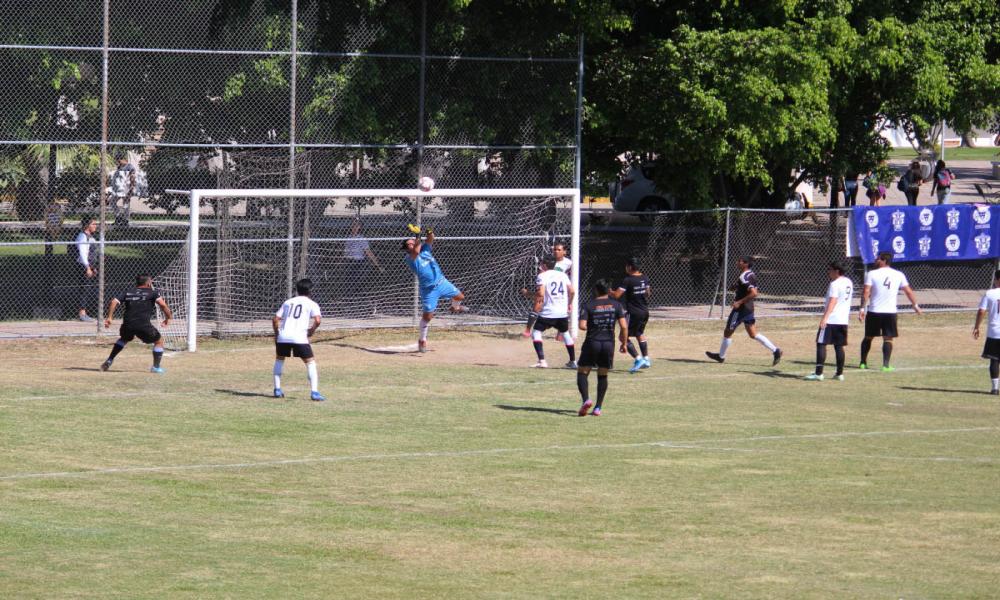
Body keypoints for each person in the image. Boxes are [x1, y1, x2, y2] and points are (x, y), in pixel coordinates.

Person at [706, 257, 783, 365]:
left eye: (739, 261)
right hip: (749, 308)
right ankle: (776, 351)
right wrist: (736, 287)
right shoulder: (749, 274)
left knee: (728, 331)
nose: (737, 262)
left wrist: (739, 302)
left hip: (741, 309)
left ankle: (721, 356)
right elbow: (747, 287)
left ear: (745, 264)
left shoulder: (744, 276)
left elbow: (754, 293)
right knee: (753, 334)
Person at [403, 225, 468, 352]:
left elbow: (430, 239)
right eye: (409, 243)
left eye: (412, 242)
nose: (412, 243)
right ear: (407, 249)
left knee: (460, 297)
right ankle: (422, 340)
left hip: (442, 283)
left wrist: (429, 232)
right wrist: (417, 236)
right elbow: (416, 251)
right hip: (429, 290)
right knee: (428, 316)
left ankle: (455, 307)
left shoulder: (425, 251)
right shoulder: (410, 259)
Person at [859, 251, 922, 371]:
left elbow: (866, 291)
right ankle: (885, 365)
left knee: (869, 337)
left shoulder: (872, 274)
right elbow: (908, 291)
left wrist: (862, 308)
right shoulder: (898, 274)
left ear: (884, 260)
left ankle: (863, 362)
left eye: (878, 259)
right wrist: (915, 305)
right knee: (887, 338)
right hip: (889, 313)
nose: (876, 260)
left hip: (874, 312)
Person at [575, 279, 628, 417]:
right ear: (608, 290)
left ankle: (586, 400)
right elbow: (623, 326)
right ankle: (598, 407)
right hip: (608, 343)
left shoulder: (589, 305)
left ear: (596, 290)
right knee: (603, 374)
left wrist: (593, 326)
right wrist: (624, 342)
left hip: (593, 342)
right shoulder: (617, 305)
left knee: (582, 372)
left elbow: (582, 325)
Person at [100, 274, 172, 373]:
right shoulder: (153, 293)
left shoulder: (128, 292)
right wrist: (168, 317)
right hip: (143, 325)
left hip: (128, 324)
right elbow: (163, 305)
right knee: (159, 341)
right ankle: (156, 367)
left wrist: (109, 317)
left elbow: (113, 302)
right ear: (148, 283)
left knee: (124, 339)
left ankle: (110, 360)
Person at [272, 278, 325, 401]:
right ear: (310, 291)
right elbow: (317, 320)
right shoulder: (312, 304)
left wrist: (277, 334)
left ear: (297, 290)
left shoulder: (288, 302)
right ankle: (314, 392)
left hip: (283, 336)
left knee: (279, 360)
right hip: (299, 338)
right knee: (310, 363)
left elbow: (275, 319)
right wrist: (311, 331)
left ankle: (277, 389)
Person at [804, 262, 853, 381]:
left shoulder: (834, 284)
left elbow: (833, 301)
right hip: (843, 320)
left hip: (832, 319)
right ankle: (839, 374)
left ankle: (818, 373)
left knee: (821, 344)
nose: (828, 272)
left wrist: (825, 318)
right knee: (839, 346)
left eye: (830, 270)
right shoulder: (848, 282)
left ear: (837, 271)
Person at [527, 256, 576, 369]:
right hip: (562, 313)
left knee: (536, 333)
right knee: (566, 334)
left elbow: (541, 294)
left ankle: (542, 361)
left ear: (544, 265)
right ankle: (573, 362)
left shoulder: (542, 276)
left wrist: (528, 294)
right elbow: (572, 291)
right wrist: (569, 303)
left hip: (548, 312)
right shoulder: (563, 275)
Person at [610, 257, 652, 373]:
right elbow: (648, 293)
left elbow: (617, 295)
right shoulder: (645, 277)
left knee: (622, 337)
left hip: (634, 313)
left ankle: (638, 359)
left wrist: (609, 292)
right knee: (639, 333)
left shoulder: (628, 280)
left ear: (629, 267)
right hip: (645, 311)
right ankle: (646, 359)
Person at [973, 270, 1000, 395]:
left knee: (994, 360)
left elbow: (981, 311)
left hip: (994, 332)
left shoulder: (990, 293)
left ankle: (995, 388)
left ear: (996, 279)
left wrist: (977, 327)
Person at [73, 217, 99, 321]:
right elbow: (83, 253)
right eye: (93, 224)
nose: (95, 226)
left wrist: (94, 267)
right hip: (83, 266)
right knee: (84, 289)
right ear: (87, 225)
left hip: (90, 266)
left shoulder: (90, 237)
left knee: (87, 289)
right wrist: (87, 267)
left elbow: (92, 254)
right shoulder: (82, 236)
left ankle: (84, 312)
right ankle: (82, 314)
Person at [110, 155, 136, 226]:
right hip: (118, 190)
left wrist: (131, 188)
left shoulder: (129, 167)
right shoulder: (120, 167)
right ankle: (118, 217)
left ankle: (126, 220)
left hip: (126, 189)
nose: (118, 162)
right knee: (112, 202)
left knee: (126, 204)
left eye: (119, 160)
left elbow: (132, 177)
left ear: (124, 159)